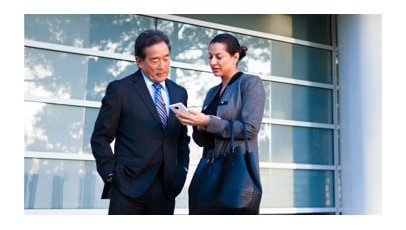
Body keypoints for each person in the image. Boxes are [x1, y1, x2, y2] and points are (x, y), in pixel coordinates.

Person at [91, 29, 190, 215]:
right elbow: (100, 138)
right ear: (139, 61)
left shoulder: (179, 92)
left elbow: (182, 139)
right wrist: (111, 175)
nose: (162, 66)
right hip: (128, 187)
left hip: (166, 188)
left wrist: (181, 170)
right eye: (155, 60)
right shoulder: (120, 90)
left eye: (166, 58)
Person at [176, 33, 265, 213]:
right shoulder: (211, 92)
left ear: (235, 57)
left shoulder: (249, 83)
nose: (212, 62)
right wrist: (198, 125)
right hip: (208, 170)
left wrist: (209, 121)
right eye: (209, 57)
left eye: (219, 57)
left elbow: (250, 129)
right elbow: (201, 141)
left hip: (234, 173)